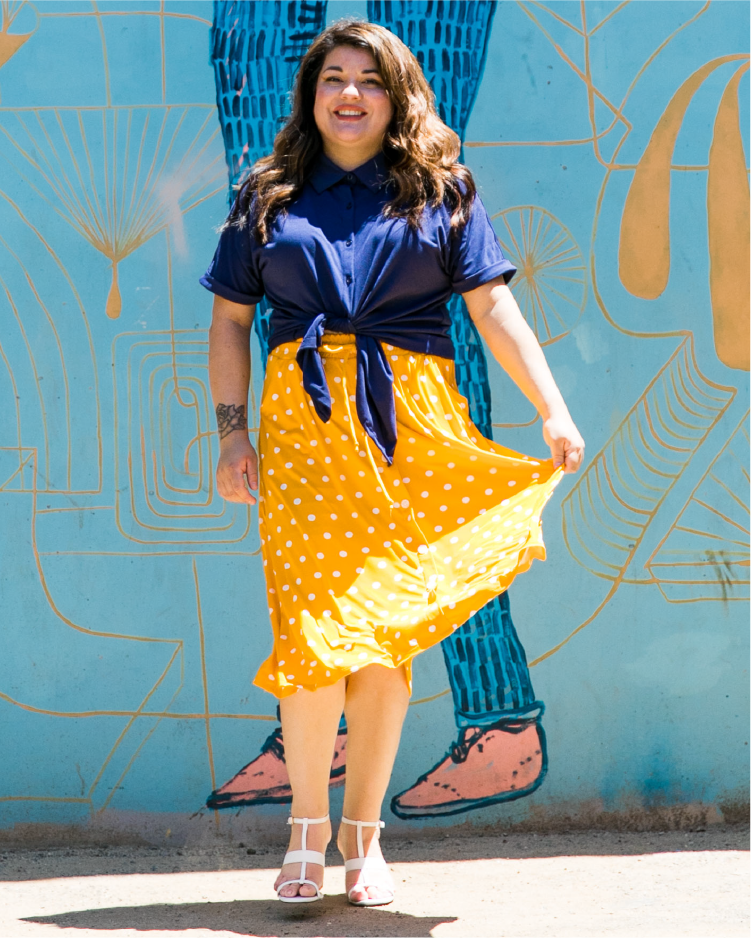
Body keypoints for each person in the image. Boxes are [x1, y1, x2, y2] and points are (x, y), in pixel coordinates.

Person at [202, 19, 584, 907]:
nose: (349, 94)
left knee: (382, 642)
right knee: (311, 637)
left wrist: (551, 407)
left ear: (397, 95)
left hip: (410, 431)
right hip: (304, 432)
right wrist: (230, 433)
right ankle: (305, 832)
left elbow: (492, 309)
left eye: (369, 80)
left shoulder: (441, 190)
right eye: (333, 77)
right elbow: (229, 321)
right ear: (311, 94)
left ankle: (362, 840)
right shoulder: (267, 193)